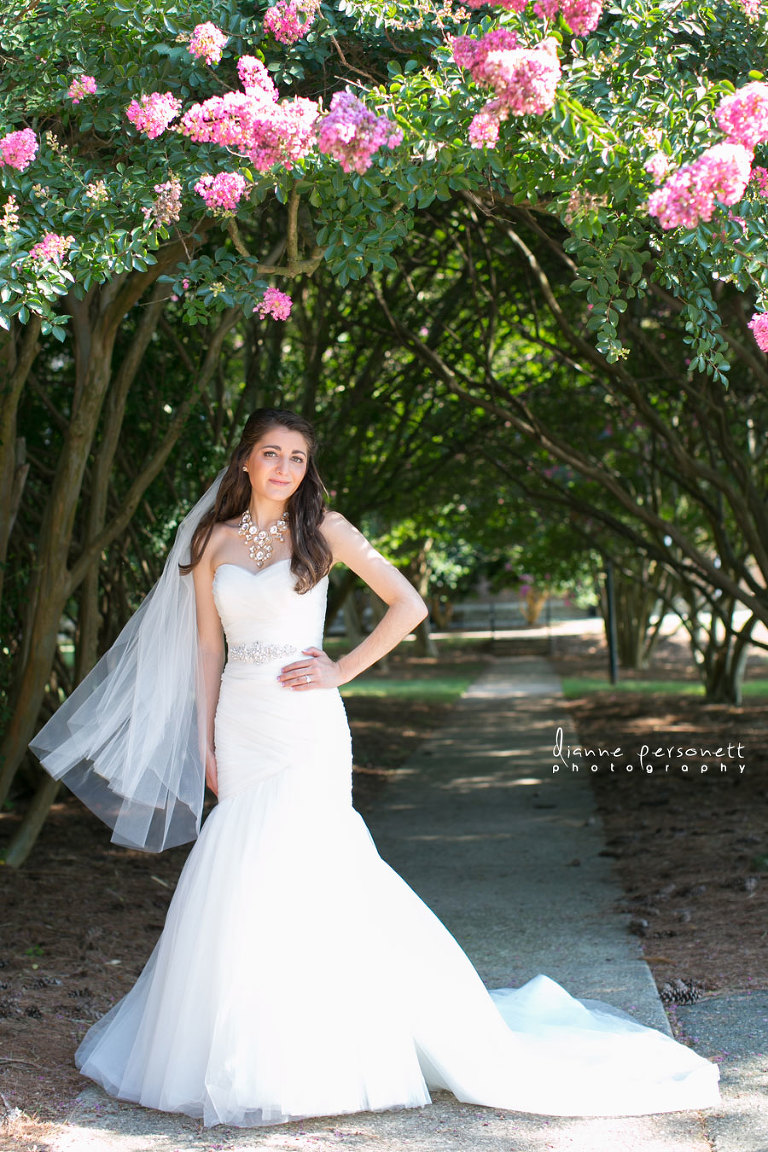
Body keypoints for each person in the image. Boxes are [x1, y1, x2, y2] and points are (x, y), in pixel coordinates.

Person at [30, 408, 720, 1128]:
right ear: (246, 461)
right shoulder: (212, 541)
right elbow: (208, 647)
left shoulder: (325, 529)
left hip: (308, 723)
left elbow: (408, 604)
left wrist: (342, 669)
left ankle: (334, 1048)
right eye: (271, 454)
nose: (284, 468)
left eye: (297, 458)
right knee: (243, 866)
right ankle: (243, 1045)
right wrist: (203, 739)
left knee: (321, 863)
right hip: (241, 724)